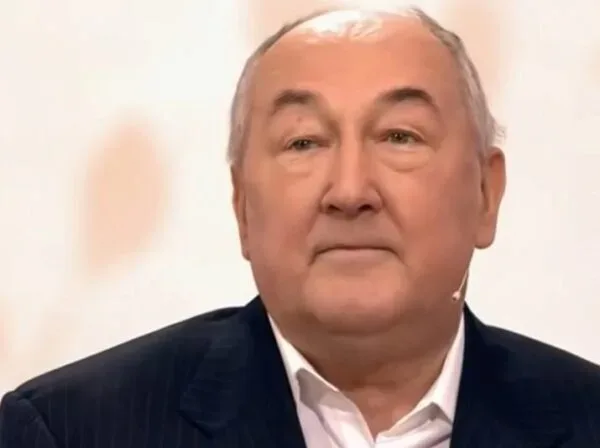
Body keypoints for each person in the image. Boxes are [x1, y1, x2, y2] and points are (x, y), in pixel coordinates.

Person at [1, 6, 600, 448]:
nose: (350, 192)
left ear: (486, 193)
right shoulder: (70, 431)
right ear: (241, 205)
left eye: (400, 136)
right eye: (304, 142)